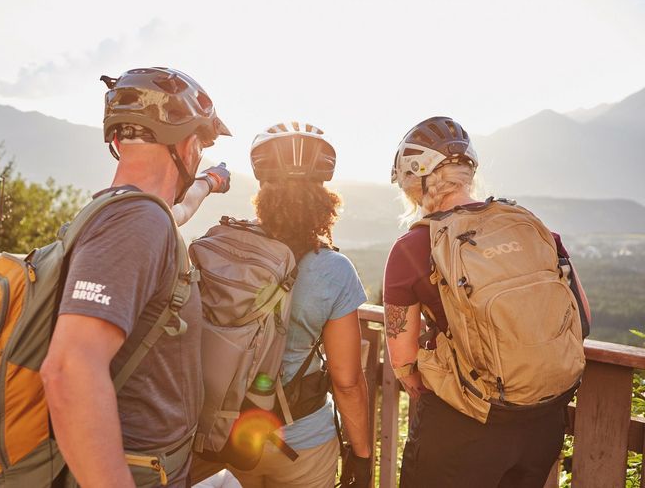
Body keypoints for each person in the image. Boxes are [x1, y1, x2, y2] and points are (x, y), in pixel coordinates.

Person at [40, 67, 231, 488]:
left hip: (150, 463)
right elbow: (68, 370)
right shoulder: (137, 224)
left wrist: (208, 183)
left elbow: (177, 212)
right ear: (187, 145)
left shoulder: (129, 211)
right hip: (137, 469)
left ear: (116, 142)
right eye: (200, 144)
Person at [383, 116, 591, 487]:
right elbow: (583, 320)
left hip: (462, 426)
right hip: (542, 422)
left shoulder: (413, 247)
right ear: (469, 173)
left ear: (415, 182)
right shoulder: (533, 227)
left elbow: (403, 361)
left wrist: (440, 393)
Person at [225, 122, 372, 488]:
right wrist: (362, 455)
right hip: (303, 440)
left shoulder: (227, 249)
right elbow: (347, 381)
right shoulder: (334, 269)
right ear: (322, 195)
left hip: (227, 433)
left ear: (262, 189)